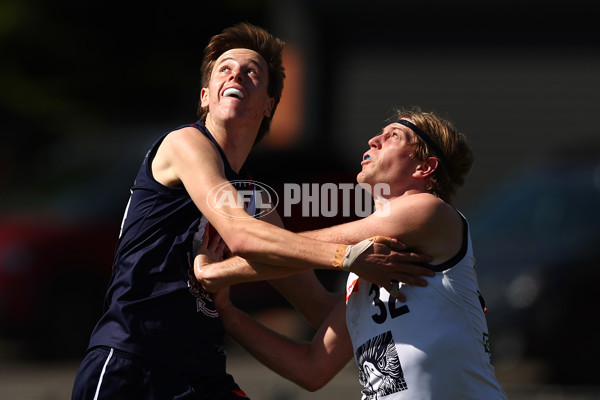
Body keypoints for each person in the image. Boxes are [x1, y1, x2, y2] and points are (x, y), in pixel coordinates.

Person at [71, 23, 432, 400]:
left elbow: (319, 308)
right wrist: (350, 256)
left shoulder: (254, 198)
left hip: (201, 370)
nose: (236, 74)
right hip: (134, 357)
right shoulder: (185, 143)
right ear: (206, 96)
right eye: (225, 68)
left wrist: (413, 298)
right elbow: (242, 236)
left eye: (252, 72)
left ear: (269, 105)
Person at [196, 107, 508, 399]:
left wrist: (215, 272)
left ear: (425, 167)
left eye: (394, 136)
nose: (374, 140)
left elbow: (305, 249)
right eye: (380, 134)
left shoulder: (429, 209)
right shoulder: (365, 272)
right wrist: (228, 313)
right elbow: (311, 368)